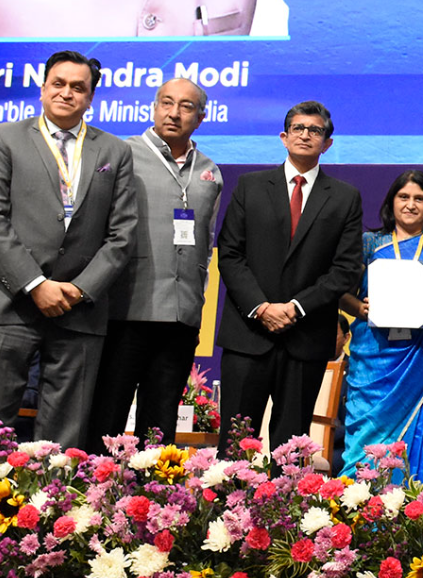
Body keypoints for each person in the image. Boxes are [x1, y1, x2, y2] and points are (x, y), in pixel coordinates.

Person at [0, 50, 137, 450]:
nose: (66, 93)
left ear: (90, 97)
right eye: (58, 83)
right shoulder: (6, 138)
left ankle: (48, 510)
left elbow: (123, 234)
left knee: (63, 435)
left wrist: (77, 290)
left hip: (80, 311)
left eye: (78, 87)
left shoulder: (114, 151)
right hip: (12, 304)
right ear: (43, 88)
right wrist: (35, 283)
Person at [216, 100, 364, 451]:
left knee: (290, 449)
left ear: (327, 143)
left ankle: (279, 507)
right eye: (298, 128)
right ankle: (225, 507)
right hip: (249, 335)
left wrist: (296, 308)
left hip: (307, 336)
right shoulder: (250, 186)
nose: (305, 135)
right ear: (284, 137)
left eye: (315, 131)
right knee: (235, 445)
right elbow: (231, 255)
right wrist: (262, 308)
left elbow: (344, 269)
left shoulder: (345, 198)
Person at [88, 77, 223, 451]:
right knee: (107, 416)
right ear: (153, 106)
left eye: (185, 106)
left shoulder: (210, 170)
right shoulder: (122, 154)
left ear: (202, 115)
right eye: (166, 102)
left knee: (160, 425)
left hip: (181, 316)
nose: (174, 113)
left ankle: (151, 498)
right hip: (126, 309)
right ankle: (90, 499)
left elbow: (206, 241)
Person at [338, 170, 423, 476]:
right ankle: (357, 512)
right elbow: (340, 292)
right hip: (373, 365)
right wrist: (359, 308)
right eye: (404, 197)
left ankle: (416, 514)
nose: (411, 205)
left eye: (419, 199)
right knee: (364, 447)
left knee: (421, 442)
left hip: (422, 363)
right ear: (391, 202)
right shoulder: (369, 244)